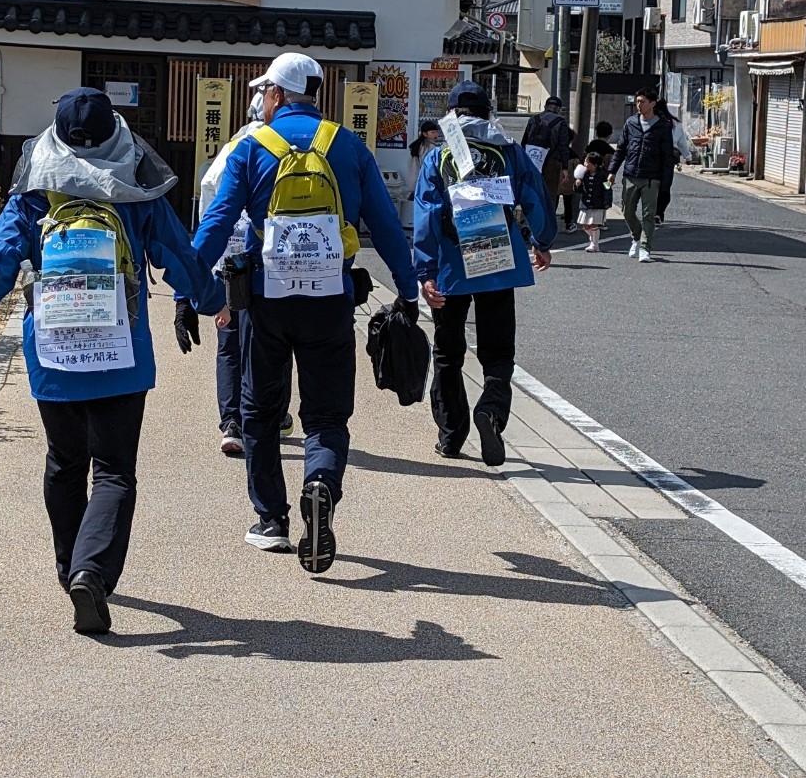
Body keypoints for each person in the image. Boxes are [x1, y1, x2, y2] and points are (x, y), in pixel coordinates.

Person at [0, 87, 224, 635]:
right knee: (115, 471)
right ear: (114, 134)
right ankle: (91, 572)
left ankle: (69, 568)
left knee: (65, 460)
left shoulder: (34, 191)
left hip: (52, 348)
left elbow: (2, 250)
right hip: (120, 350)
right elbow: (180, 256)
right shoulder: (136, 189)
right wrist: (215, 302)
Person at [194, 52, 419, 574]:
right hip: (330, 299)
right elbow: (385, 226)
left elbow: (218, 219)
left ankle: (271, 520)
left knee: (259, 409)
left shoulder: (253, 147)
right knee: (325, 412)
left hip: (265, 301)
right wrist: (407, 290)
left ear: (275, 94)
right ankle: (320, 483)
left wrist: (189, 287)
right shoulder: (348, 145)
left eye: (263, 92)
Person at [414, 81, 555, 465]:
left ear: (451, 114)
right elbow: (534, 194)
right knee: (498, 352)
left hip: (449, 266)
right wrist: (542, 240)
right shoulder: (508, 151)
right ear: (488, 111)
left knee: (447, 353)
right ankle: (490, 409)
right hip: (497, 261)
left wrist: (425, 272)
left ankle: (451, 435)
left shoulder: (439, 156)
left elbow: (426, 214)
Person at [191, 92, 295, 454]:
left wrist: (200, 274)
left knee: (230, 341)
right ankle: (277, 414)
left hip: (228, 261)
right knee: (278, 341)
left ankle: (232, 420)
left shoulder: (231, 150)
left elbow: (211, 208)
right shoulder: (284, 147)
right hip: (271, 260)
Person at [608, 87, 674, 263]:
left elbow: (668, 157)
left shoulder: (663, 126)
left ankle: (645, 248)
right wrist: (612, 171)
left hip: (652, 178)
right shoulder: (631, 123)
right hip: (630, 175)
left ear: (652, 103)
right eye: (637, 101)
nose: (639, 104)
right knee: (627, 211)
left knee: (648, 215)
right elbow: (621, 149)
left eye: (642, 101)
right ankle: (636, 237)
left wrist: (666, 183)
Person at [522, 95, 577, 231]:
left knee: (531, 191)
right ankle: (545, 226)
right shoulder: (560, 122)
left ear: (546, 106)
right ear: (558, 108)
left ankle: (527, 223)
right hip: (551, 162)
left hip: (531, 160)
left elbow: (524, 141)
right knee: (549, 195)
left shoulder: (533, 119)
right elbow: (563, 146)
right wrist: (565, 168)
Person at [653, 98, 694, 225]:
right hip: (669, 158)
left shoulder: (652, 121)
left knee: (652, 185)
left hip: (653, 156)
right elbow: (682, 142)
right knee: (665, 186)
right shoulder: (674, 123)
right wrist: (688, 157)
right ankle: (659, 213)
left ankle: (653, 212)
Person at [573, 152, 612, 253]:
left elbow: (608, 189)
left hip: (598, 204)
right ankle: (593, 238)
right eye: (585, 161)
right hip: (586, 203)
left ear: (595, 164)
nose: (585, 164)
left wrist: (607, 202)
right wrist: (577, 184)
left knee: (594, 225)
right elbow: (579, 191)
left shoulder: (604, 175)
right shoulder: (583, 175)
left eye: (587, 162)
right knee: (585, 225)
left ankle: (595, 244)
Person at [407, 120, 443, 200]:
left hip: (413, 184)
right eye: (432, 132)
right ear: (425, 134)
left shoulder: (417, 145)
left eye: (436, 132)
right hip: (424, 184)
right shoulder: (430, 147)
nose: (436, 135)